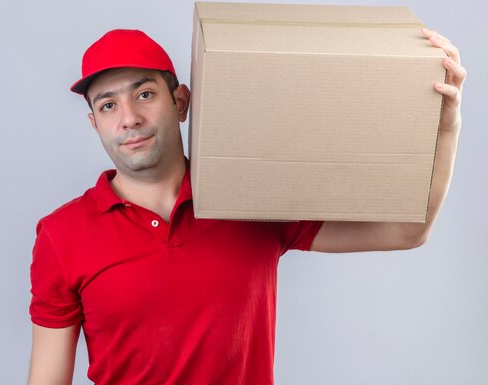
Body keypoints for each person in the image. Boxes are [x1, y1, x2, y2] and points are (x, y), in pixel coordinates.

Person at [27, 28, 465, 385]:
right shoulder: (61, 235)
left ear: (180, 102)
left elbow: (409, 230)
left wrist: (446, 127)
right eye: (108, 105)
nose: (129, 118)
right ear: (95, 123)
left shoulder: (250, 200)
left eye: (143, 95)